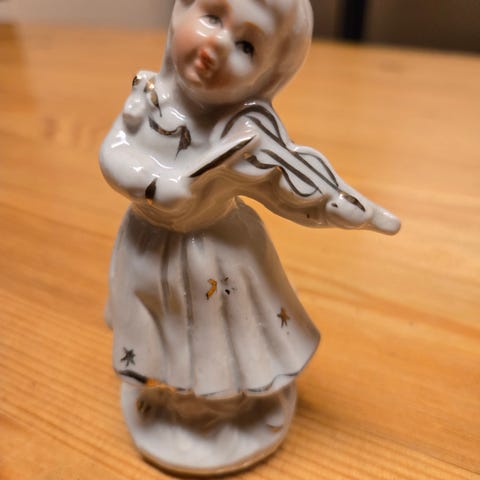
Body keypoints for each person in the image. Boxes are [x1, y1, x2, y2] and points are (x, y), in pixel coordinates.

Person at [100, 0, 400, 474]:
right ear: (180, 11)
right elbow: (114, 152)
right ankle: (174, 400)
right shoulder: (148, 99)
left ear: (267, 77)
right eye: (212, 17)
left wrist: (344, 208)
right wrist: (157, 184)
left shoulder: (245, 134)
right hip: (148, 245)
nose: (217, 45)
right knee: (162, 328)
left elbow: (288, 188)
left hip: (214, 257)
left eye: (246, 46)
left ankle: (224, 408)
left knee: (220, 336)